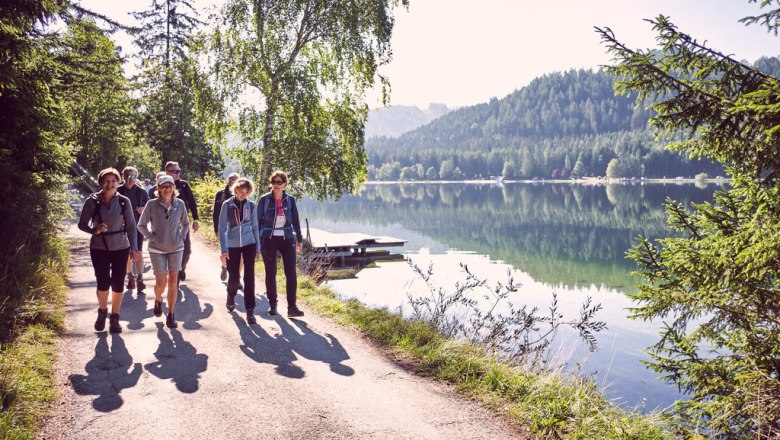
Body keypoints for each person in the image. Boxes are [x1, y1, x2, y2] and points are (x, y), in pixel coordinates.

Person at [78, 168, 138, 333]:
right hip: (99, 247)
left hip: (121, 246)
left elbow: (132, 226)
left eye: (113, 181)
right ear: (100, 183)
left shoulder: (124, 201)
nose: (110, 184)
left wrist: (134, 248)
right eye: (106, 181)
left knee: (118, 283)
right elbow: (82, 224)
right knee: (103, 282)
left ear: (118, 182)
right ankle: (102, 311)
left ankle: (115, 317)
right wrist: (94, 230)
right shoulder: (92, 201)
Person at [137, 174, 189, 328]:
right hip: (157, 249)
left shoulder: (180, 204)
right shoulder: (151, 204)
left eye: (170, 186)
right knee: (161, 282)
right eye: (164, 186)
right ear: (158, 189)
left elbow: (185, 223)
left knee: (173, 281)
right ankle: (158, 299)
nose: (167, 189)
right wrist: (151, 237)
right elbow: (141, 225)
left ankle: (171, 314)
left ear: (174, 188)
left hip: (176, 248)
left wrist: (181, 236)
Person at [257, 171, 304, 317]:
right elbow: (257, 222)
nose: (276, 185)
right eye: (274, 182)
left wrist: (300, 239)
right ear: (271, 184)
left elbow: (295, 220)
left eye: (279, 182)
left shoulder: (290, 200)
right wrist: (257, 243)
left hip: (287, 238)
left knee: (291, 273)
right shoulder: (264, 200)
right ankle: (273, 304)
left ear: (285, 184)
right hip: (268, 238)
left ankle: (292, 307)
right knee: (271, 272)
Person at [218, 177, 260, 324]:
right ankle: (231, 296)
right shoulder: (227, 205)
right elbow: (222, 228)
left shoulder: (252, 206)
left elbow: (255, 227)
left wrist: (258, 249)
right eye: (240, 191)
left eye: (246, 192)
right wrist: (224, 248)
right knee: (234, 277)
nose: (243, 194)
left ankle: (250, 311)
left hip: (249, 243)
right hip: (232, 244)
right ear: (235, 190)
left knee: (250, 277)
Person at [164, 161, 199, 282]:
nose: (178, 173)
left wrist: (195, 219)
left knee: (187, 250)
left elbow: (192, 202)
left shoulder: (184, 185)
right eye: (175, 171)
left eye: (179, 171)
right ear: (167, 172)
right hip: (167, 224)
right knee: (172, 250)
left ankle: (182, 268)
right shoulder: (163, 185)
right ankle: (174, 277)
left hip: (182, 223)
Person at [117, 166, 149, 292]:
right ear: (123, 177)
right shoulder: (118, 191)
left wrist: (143, 210)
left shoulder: (141, 192)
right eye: (128, 177)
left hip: (137, 227)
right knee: (125, 255)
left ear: (137, 177)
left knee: (138, 253)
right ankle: (130, 276)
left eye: (134, 177)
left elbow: (150, 208)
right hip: (121, 228)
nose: (131, 180)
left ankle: (140, 279)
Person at [213, 172, 238, 282]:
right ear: (228, 181)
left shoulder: (241, 194)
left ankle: (236, 278)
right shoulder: (220, 194)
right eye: (232, 179)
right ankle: (224, 266)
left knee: (238, 254)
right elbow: (215, 213)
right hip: (224, 228)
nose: (234, 181)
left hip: (237, 229)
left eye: (236, 180)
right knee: (224, 252)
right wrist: (216, 230)